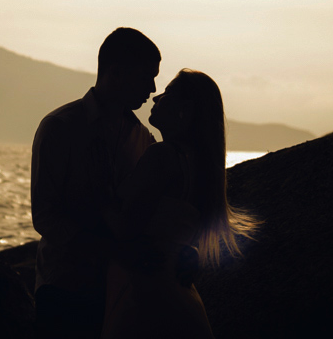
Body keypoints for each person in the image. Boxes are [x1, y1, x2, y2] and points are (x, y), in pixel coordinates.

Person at [100, 69, 259, 339]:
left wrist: (96, 190)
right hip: (180, 295)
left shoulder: (161, 156)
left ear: (185, 110)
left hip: (145, 295)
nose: (156, 97)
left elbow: (125, 227)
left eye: (168, 92)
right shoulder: (200, 165)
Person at [31, 28, 162, 339]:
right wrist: (116, 252)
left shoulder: (144, 139)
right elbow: (46, 217)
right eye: (146, 77)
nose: (153, 88)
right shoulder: (60, 128)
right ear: (115, 72)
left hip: (121, 294)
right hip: (64, 289)